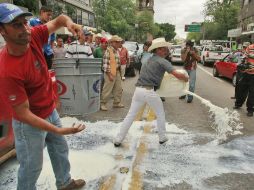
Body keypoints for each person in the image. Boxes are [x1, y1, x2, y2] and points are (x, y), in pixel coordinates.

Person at [0, 3, 86, 190]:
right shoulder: (7, 70)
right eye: (16, 25)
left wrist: (72, 24)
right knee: (31, 167)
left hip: (48, 111)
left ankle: (64, 183)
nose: (25, 29)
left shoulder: (35, 35)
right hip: (28, 124)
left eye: (25, 22)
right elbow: (23, 114)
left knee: (60, 149)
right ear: (2, 31)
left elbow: (60, 19)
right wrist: (57, 130)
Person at [113, 38, 189, 146]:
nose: (166, 50)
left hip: (138, 90)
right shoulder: (163, 61)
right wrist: (185, 78)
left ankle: (118, 139)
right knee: (160, 113)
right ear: (158, 50)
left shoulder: (149, 59)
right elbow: (176, 74)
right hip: (149, 91)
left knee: (130, 116)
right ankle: (162, 137)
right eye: (164, 49)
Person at [100, 35, 124, 111]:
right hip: (109, 72)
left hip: (116, 72)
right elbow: (105, 66)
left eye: (119, 42)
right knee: (107, 89)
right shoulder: (108, 51)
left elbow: (118, 63)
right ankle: (103, 103)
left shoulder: (116, 51)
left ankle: (116, 103)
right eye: (118, 42)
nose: (119, 43)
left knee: (118, 88)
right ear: (113, 43)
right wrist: (109, 75)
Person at [234, 43, 254, 117]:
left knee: (252, 93)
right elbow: (244, 57)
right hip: (246, 73)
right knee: (241, 89)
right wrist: (243, 65)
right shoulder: (250, 47)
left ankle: (250, 110)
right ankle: (238, 104)